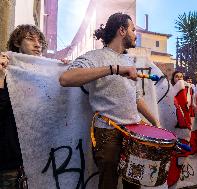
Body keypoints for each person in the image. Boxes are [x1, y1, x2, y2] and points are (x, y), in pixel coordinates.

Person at [59, 13, 160, 189]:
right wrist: (114, 69)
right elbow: (66, 79)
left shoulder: (130, 61)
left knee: (134, 183)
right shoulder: (94, 56)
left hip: (134, 132)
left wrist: (156, 123)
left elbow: (136, 98)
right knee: (108, 183)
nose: (136, 34)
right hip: (107, 133)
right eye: (133, 29)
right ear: (122, 30)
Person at [0, 24, 47, 189]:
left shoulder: (44, 74)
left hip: (36, 160)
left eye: (39, 40)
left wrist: (63, 69)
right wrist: (1, 76)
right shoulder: (5, 69)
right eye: (30, 39)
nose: (37, 44)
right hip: (9, 160)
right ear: (17, 43)